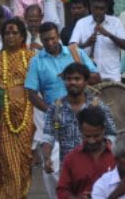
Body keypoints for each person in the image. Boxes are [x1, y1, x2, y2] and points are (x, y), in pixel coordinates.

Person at [39, 61, 110, 196]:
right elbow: (49, 135)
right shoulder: (56, 107)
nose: (72, 82)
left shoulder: (98, 105)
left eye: (77, 79)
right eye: (69, 79)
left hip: (96, 167)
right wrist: (47, 157)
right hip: (69, 169)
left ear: (85, 81)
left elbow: (111, 134)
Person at [0, 18, 36, 199]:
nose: (11, 36)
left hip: (26, 118)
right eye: (7, 33)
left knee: (24, 163)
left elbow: (38, 86)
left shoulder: (30, 57)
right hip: (2, 118)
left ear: (22, 36)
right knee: (8, 164)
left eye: (15, 33)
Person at [56, 107, 116, 199]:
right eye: (87, 136)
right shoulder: (71, 158)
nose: (92, 141)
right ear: (80, 130)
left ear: (103, 130)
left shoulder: (117, 155)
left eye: (96, 136)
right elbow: (62, 190)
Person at [69, 0, 125, 82]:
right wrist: (86, 44)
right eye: (96, 8)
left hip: (112, 75)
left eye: (102, 9)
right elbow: (72, 48)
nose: (98, 12)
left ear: (106, 8)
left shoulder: (116, 22)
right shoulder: (81, 23)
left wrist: (109, 34)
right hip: (89, 76)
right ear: (90, 7)